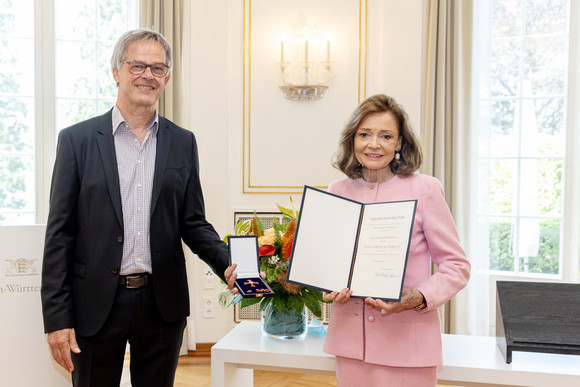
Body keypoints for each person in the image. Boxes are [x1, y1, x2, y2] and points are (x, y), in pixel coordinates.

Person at [41, 28, 238, 387]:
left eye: (158, 68)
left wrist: (229, 264)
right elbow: (60, 234)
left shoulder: (182, 142)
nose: (148, 75)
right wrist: (56, 318)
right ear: (116, 71)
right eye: (137, 66)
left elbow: (193, 223)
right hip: (96, 303)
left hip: (162, 303)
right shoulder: (76, 141)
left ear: (167, 78)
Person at [322, 94, 471, 386]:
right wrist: (329, 286)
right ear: (353, 140)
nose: (373, 144)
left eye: (385, 136)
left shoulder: (425, 189)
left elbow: (457, 266)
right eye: (364, 134)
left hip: (408, 345)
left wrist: (417, 297)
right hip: (350, 346)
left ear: (399, 143)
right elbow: (333, 262)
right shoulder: (336, 190)